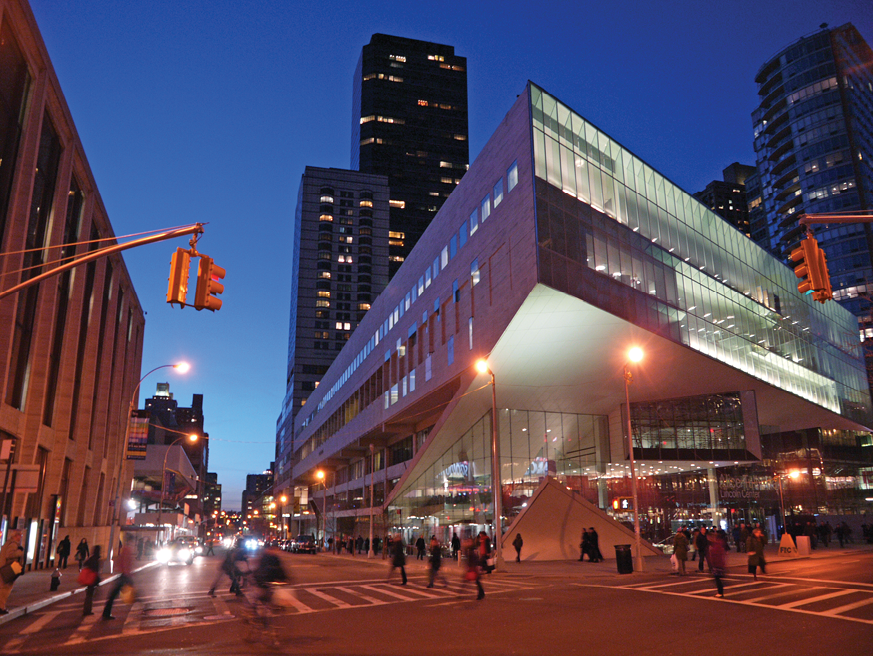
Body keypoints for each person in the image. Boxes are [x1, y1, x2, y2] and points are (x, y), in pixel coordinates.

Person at [102, 535, 135, 620]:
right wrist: (128, 573)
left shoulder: (125, 549)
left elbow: (121, 561)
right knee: (116, 593)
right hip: (125, 575)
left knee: (114, 594)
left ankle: (106, 612)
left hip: (124, 574)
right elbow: (125, 563)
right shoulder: (127, 549)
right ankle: (106, 612)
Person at [0, 530, 24, 615]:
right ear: (15, 536)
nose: (20, 537)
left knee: (3, 588)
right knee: (5, 589)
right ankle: (1, 607)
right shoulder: (13, 544)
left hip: (3, 568)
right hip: (8, 569)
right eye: (20, 535)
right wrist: (20, 552)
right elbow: (9, 555)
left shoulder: (8, 543)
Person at [82, 546, 101, 616]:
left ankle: (87, 610)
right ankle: (87, 610)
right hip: (92, 579)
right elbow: (96, 571)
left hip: (90, 578)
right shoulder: (96, 559)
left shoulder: (92, 558)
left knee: (89, 595)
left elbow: (85, 564)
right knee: (89, 595)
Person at [708, 531, 727, 598]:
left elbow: (715, 555)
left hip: (717, 564)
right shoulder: (718, 544)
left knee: (717, 578)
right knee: (717, 578)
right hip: (719, 564)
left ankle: (720, 592)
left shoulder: (717, 545)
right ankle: (720, 591)